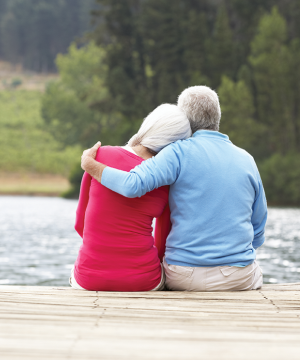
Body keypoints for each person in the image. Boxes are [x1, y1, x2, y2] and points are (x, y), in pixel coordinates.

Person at [81, 86, 267, 292]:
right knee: (256, 271)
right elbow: (258, 228)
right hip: (235, 276)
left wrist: (91, 165)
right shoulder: (247, 160)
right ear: (218, 116)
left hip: (183, 275)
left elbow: (132, 184)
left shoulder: (176, 153)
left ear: (184, 120)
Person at [71, 104, 192, 291]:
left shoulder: (98, 157)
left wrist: (105, 252)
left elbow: (81, 223)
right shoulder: (166, 179)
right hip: (144, 281)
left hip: (89, 277)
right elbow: (162, 240)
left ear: (148, 126)